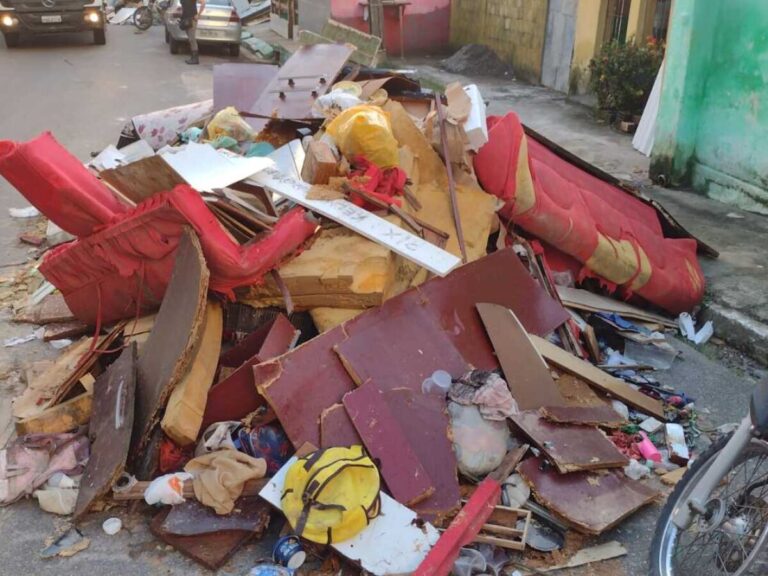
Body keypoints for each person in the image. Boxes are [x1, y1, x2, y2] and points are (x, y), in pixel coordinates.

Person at [180, 0, 205, 65]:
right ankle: (192, 57)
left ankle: (195, 59)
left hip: (192, 19)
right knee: (190, 39)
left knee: (192, 38)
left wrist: (198, 15)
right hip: (185, 19)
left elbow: (203, 2)